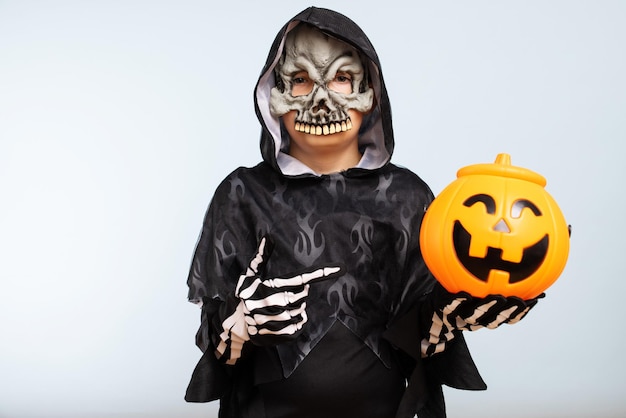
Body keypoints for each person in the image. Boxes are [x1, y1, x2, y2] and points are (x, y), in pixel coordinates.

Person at [184, 7, 541, 418]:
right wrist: (241, 321)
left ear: (370, 93)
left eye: (341, 78)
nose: (321, 101)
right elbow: (220, 345)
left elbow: (420, 326)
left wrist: (452, 313)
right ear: (274, 94)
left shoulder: (407, 196)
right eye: (300, 81)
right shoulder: (243, 194)